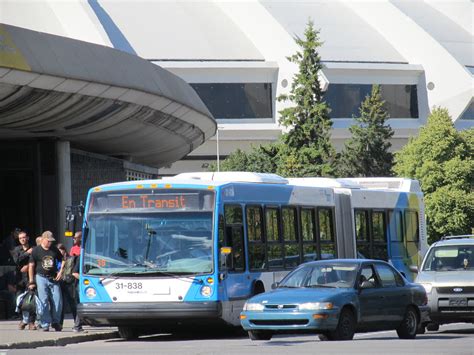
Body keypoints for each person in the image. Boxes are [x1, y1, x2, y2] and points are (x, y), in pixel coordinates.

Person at [28, 231, 64, 332]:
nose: (50, 243)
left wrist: (60, 271)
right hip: (41, 277)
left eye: (51, 241)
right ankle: (45, 323)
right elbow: (31, 266)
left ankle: (56, 322)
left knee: (58, 301)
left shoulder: (54, 249)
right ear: (43, 239)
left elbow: (62, 259)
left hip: (53, 278)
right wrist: (31, 281)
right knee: (43, 301)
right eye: (48, 241)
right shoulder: (36, 250)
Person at [12, 231, 36, 330]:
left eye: (24, 237)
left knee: (31, 300)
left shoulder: (34, 248)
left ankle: (31, 322)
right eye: (20, 238)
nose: (22, 239)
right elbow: (16, 260)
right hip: (20, 278)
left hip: (30, 277)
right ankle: (23, 320)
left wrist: (28, 266)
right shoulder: (17, 249)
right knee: (19, 300)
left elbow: (36, 261)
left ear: (28, 238)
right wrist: (27, 253)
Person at [57, 244, 81, 331]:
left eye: (61, 250)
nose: (60, 252)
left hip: (69, 282)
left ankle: (77, 323)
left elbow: (73, 270)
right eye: (58, 250)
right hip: (59, 282)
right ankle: (59, 324)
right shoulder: (56, 259)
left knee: (72, 304)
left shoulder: (71, 259)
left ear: (64, 250)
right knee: (61, 304)